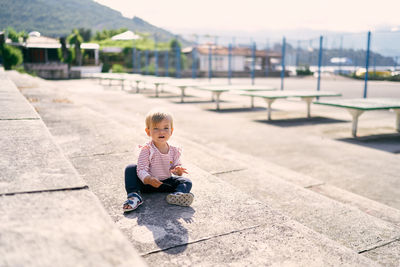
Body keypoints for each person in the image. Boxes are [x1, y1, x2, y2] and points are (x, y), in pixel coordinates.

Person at [123, 109, 194, 212]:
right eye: (156, 128)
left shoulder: (174, 150)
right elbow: (141, 169)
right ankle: (134, 196)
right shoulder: (147, 149)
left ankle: (177, 195)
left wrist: (177, 170)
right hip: (147, 184)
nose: (161, 132)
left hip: (164, 184)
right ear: (148, 132)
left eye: (166, 128)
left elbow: (175, 167)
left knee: (186, 182)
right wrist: (148, 179)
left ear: (171, 131)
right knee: (131, 168)